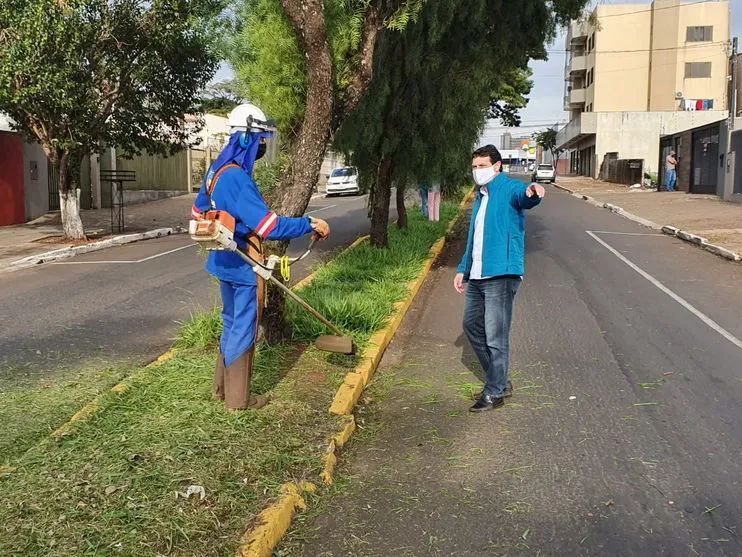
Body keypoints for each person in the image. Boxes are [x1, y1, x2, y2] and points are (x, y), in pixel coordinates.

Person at [191, 102, 330, 411]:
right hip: (242, 263)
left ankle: (221, 390)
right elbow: (270, 226)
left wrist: (229, 222)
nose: (264, 144)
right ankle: (239, 401)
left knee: (230, 322)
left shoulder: (217, 169)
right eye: (261, 138)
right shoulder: (237, 178)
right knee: (243, 325)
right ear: (248, 139)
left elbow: (197, 211)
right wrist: (309, 223)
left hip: (222, 259)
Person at [453, 144, 545, 413]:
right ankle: (500, 381)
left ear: (497, 166)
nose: (477, 171)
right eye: (474, 167)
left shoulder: (508, 187)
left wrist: (533, 192)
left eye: (482, 166)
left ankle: (495, 392)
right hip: (478, 274)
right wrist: (463, 268)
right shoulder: (481, 196)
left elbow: (525, 196)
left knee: (496, 336)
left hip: (501, 273)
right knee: (472, 326)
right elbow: (474, 239)